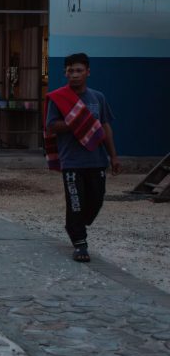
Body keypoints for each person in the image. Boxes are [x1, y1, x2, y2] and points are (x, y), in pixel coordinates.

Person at [45, 53, 120, 263]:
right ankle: (80, 243)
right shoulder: (59, 98)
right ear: (64, 73)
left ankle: (74, 225)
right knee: (75, 202)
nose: (75, 75)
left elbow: (105, 126)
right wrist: (78, 122)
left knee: (95, 201)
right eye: (70, 71)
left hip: (97, 160)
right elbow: (51, 125)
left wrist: (113, 155)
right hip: (72, 161)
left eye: (79, 70)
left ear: (88, 72)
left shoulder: (98, 97)